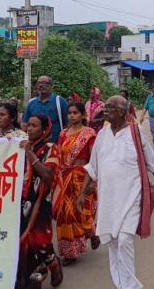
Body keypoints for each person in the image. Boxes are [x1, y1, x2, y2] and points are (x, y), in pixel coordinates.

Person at [77, 96, 154, 289]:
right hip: (109, 199)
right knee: (113, 242)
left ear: (121, 111)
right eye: (105, 107)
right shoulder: (102, 135)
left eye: (109, 107)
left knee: (125, 240)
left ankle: (131, 287)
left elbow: (152, 163)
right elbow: (92, 167)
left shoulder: (135, 133)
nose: (105, 110)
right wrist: (82, 193)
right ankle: (122, 285)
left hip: (132, 197)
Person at [17, 114, 62, 288]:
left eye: (34, 126)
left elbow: (47, 175)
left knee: (41, 241)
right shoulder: (19, 146)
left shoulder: (51, 148)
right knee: (24, 242)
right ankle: (32, 277)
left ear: (45, 129)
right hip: (21, 201)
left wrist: (29, 153)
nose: (29, 129)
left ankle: (53, 264)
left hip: (41, 201)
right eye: (28, 125)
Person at [54, 103, 99, 266]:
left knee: (81, 212)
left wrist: (93, 180)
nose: (72, 116)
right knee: (65, 214)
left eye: (75, 113)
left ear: (82, 115)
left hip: (82, 177)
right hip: (64, 178)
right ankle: (69, 252)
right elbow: (59, 155)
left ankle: (90, 232)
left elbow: (94, 159)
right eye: (70, 113)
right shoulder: (62, 134)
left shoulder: (89, 134)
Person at [24, 75, 69, 143]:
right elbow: (25, 123)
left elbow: (68, 123)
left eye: (44, 83)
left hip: (55, 145)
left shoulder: (60, 101)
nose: (41, 85)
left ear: (51, 86)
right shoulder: (31, 103)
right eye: (39, 83)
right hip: (35, 145)